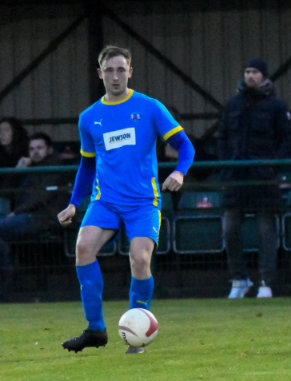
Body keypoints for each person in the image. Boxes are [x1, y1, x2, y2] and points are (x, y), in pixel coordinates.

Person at [56, 45, 194, 354]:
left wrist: (180, 172)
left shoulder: (150, 107)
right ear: (100, 74)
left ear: (130, 71)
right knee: (83, 248)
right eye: (109, 70)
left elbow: (185, 145)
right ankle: (95, 330)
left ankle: (137, 334)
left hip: (143, 201)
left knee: (140, 259)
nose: (115, 76)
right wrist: (74, 203)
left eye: (121, 69)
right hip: (105, 201)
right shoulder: (89, 118)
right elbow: (87, 165)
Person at [217, 58, 291, 299]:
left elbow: (289, 138)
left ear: (264, 76)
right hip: (236, 177)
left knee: (265, 230)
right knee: (230, 228)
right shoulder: (233, 104)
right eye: (247, 71)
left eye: (255, 72)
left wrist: (273, 165)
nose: (250, 76)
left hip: (263, 178)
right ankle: (239, 279)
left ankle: (265, 281)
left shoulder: (276, 106)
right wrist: (226, 164)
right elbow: (222, 137)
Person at [0, 133, 67, 294]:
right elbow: (6, 192)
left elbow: (41, 197)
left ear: (49, 150)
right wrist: (17, 171)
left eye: (39, 148)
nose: (35, 152)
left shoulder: (55, 169)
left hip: (41, 218)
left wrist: (16, 212)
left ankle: (10, 274)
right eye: (32, 149)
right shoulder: (29, 169)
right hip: (20, 215)